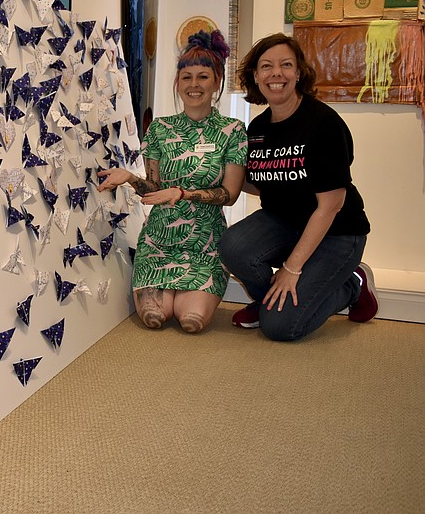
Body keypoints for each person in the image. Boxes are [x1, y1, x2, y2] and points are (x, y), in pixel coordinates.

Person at [219, 33, 378, 342]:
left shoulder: (323, 124)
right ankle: (270, 301)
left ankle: (352, 284)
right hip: (285, 222)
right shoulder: (258, 128)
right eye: (266, 66)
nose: (275, 73)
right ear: (255, 76)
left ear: (299, 73)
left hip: (336, 232)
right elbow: (263, 182)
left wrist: (291, 269)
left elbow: (330, 205)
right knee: (233, 246)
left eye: (286, 65)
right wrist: (215, 176)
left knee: (281, 328)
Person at [97, 30, 247, 333]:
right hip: (160, 240)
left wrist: (184, 193)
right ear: (177, 83)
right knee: (154, 317)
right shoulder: (160, 129)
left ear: (217, 81)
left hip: (205, 242)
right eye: (187, 77)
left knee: (191, 320)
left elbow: (230, 194)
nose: (194, 85)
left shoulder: (232, 130)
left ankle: (198, 285)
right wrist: (129, 178)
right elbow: (153, 189)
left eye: (203, 77)